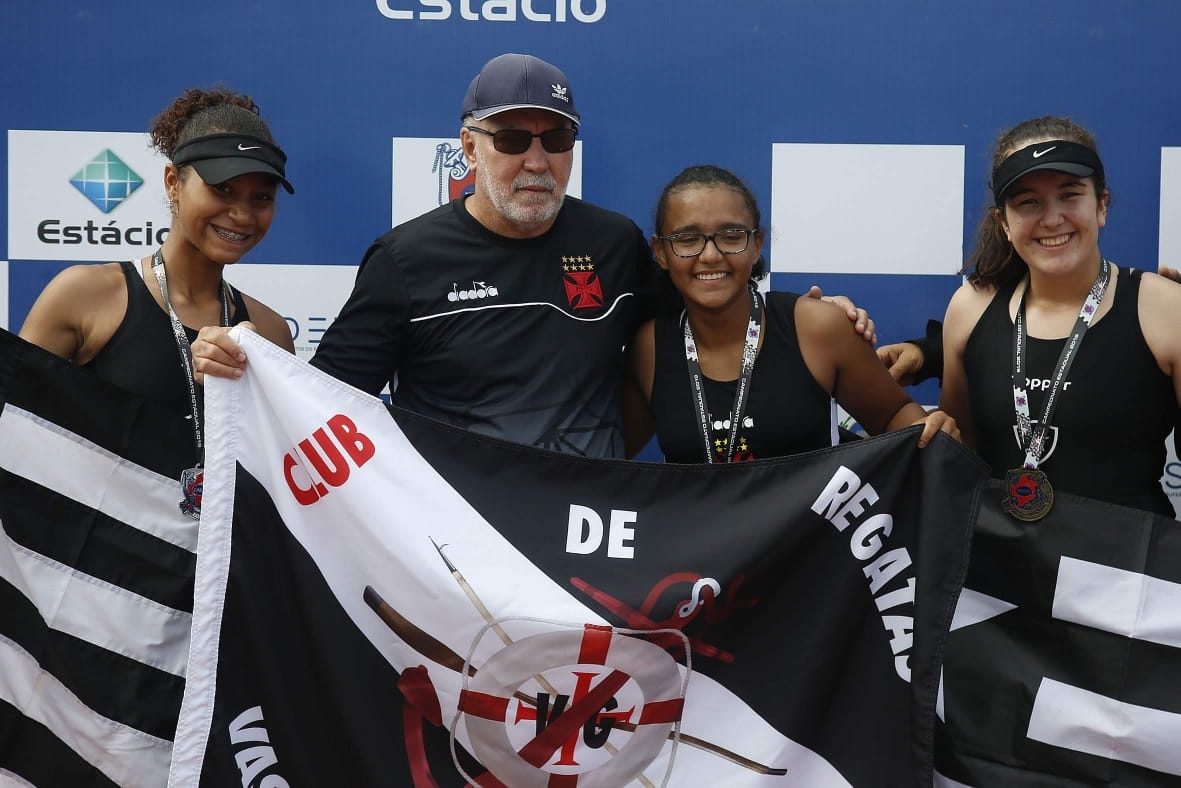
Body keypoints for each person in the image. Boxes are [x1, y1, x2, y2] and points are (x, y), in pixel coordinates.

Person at [192, 53, 876, 460]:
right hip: (453, 537)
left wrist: (810, 318)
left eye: (556, 140)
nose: (537, 160)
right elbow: (324, 402)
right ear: (468, 147)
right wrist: (245, 370)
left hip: (589, 527)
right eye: (513, 139)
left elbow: (711, 306)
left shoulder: (614, 243)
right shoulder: (406, 259)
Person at [18, 85, 296, 514]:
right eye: (222, 189)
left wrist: (250, 382)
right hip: (104, 552)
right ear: (173, 183)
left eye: (261, 197)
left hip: (220, 555)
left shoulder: (270, 332)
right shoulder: (84, 295)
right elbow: (15, 433)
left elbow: (283, 478)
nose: (243, 214)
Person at [627, 165, 959, 464]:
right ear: (661, 252)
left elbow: (895, 417)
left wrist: (931, 429)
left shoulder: (817, 326)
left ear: (757, 245)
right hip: (699, 518)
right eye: (687, 239)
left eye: (731, 237)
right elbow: (610, 456)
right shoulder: (649, 348)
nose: (711, 255)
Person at [940, 115, 1181, 517]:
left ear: (1101, 205)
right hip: (994, 554)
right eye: (1028, 202)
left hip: (1127, 555)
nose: (1052, 219)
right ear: (1003, 223)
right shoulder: (970, 308)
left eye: (1070, 195)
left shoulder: (1165, 308)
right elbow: (958, 452)